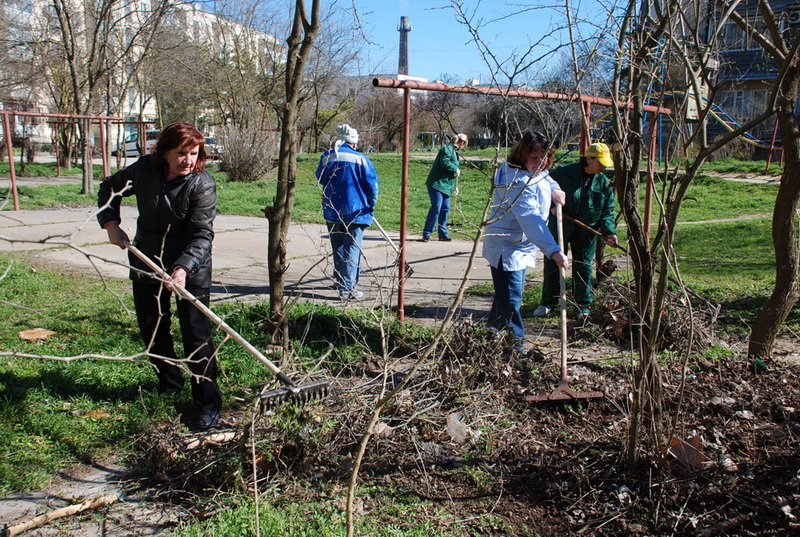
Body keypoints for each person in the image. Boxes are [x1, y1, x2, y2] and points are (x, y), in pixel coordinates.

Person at [97, 122, 222, 430]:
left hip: (191, 267)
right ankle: (170, 384)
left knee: (196, 334)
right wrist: (111, 223)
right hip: (147, 258)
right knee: (153, 327)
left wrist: (182, 268)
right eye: (181, 153)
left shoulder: (201, 184)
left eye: (194, 153)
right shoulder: (143, 169)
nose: (188, 160)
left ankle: (207, 401)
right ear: (163, 152)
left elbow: (202, 235)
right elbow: (109, 188)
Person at [483, 131, 570, 352]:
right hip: (506, 247)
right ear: (522, 154)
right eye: (534, 157)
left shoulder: (535, 171)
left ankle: (488, 338)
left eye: (543, 157)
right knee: (511, 300)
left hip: (520, 246)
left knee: (505, 297)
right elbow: (531, 220)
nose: (539, 162)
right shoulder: (515, 180)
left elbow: (545, 177)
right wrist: (553, 251)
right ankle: (515, 351)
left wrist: (555, 189)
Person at [534, 142, 619, 321]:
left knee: (584, 265)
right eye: (600, 163)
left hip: (587, 230)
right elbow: (542, 189)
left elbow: (607, 212)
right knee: (554, 261)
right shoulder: (563, 173)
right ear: (589, 159)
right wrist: (551, 207)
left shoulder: (604, 183)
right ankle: (549, 302)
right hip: (561, 224)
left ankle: (582, 305)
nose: (603, 167)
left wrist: (610, 232)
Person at [316, 124, 379, 300]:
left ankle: (340, 281)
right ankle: (347, 289)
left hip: (332, 209)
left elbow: (320, 178)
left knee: (338, 247)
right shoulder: (362, 159)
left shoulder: (327, 157)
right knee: (352, 249)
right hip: (356, 211)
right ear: (354, 143)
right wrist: (371, 205)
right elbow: (372, 186)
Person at [422, 133, 468, 242]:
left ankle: (443, 234)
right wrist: (455, 169)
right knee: (436, 207)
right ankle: (427, 233)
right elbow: (445, 162)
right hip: (436, 184)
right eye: (464, 145)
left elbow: (451, 173)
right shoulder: (447, 149)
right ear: (462, 142)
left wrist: (454, 187)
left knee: (445, 208)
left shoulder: (454, 152)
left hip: (447, 186)